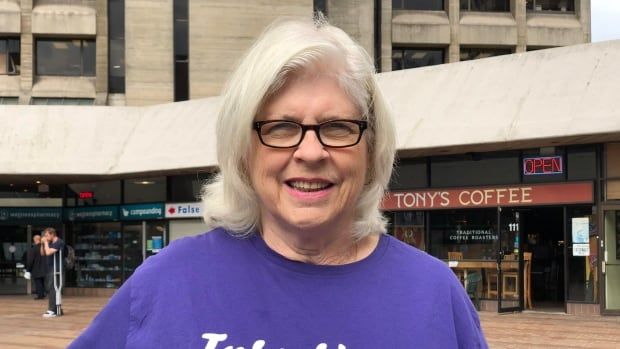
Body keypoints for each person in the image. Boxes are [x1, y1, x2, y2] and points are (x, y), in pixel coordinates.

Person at [70, 16, 488, 348]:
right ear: (244, 148)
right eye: (282, 127)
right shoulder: (166, 283)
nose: (309, 153)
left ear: (371, 146)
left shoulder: (432, 294)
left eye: (338, 127)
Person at [41, 227, 65, 318]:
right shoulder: (50, 242)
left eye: (47, 235)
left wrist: (46, 243)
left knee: (53, 288)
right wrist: (43, 244)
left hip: (57, 268)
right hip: (51, 268)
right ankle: (56, 309)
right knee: (50, 287)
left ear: (52, 234)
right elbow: (43, 253)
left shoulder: (59, 242)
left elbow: (48, 253)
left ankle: (52, 310)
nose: (46, 237)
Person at [26, 234, 47, 300]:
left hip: (36, 269)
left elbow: (30, 261)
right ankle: (43, 294)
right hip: (45, 268)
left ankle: (40, 296)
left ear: (34, 240)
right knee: (42, 282)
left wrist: (28, 270)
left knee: (38, 283)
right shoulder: (45, 248)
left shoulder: (33, 249)